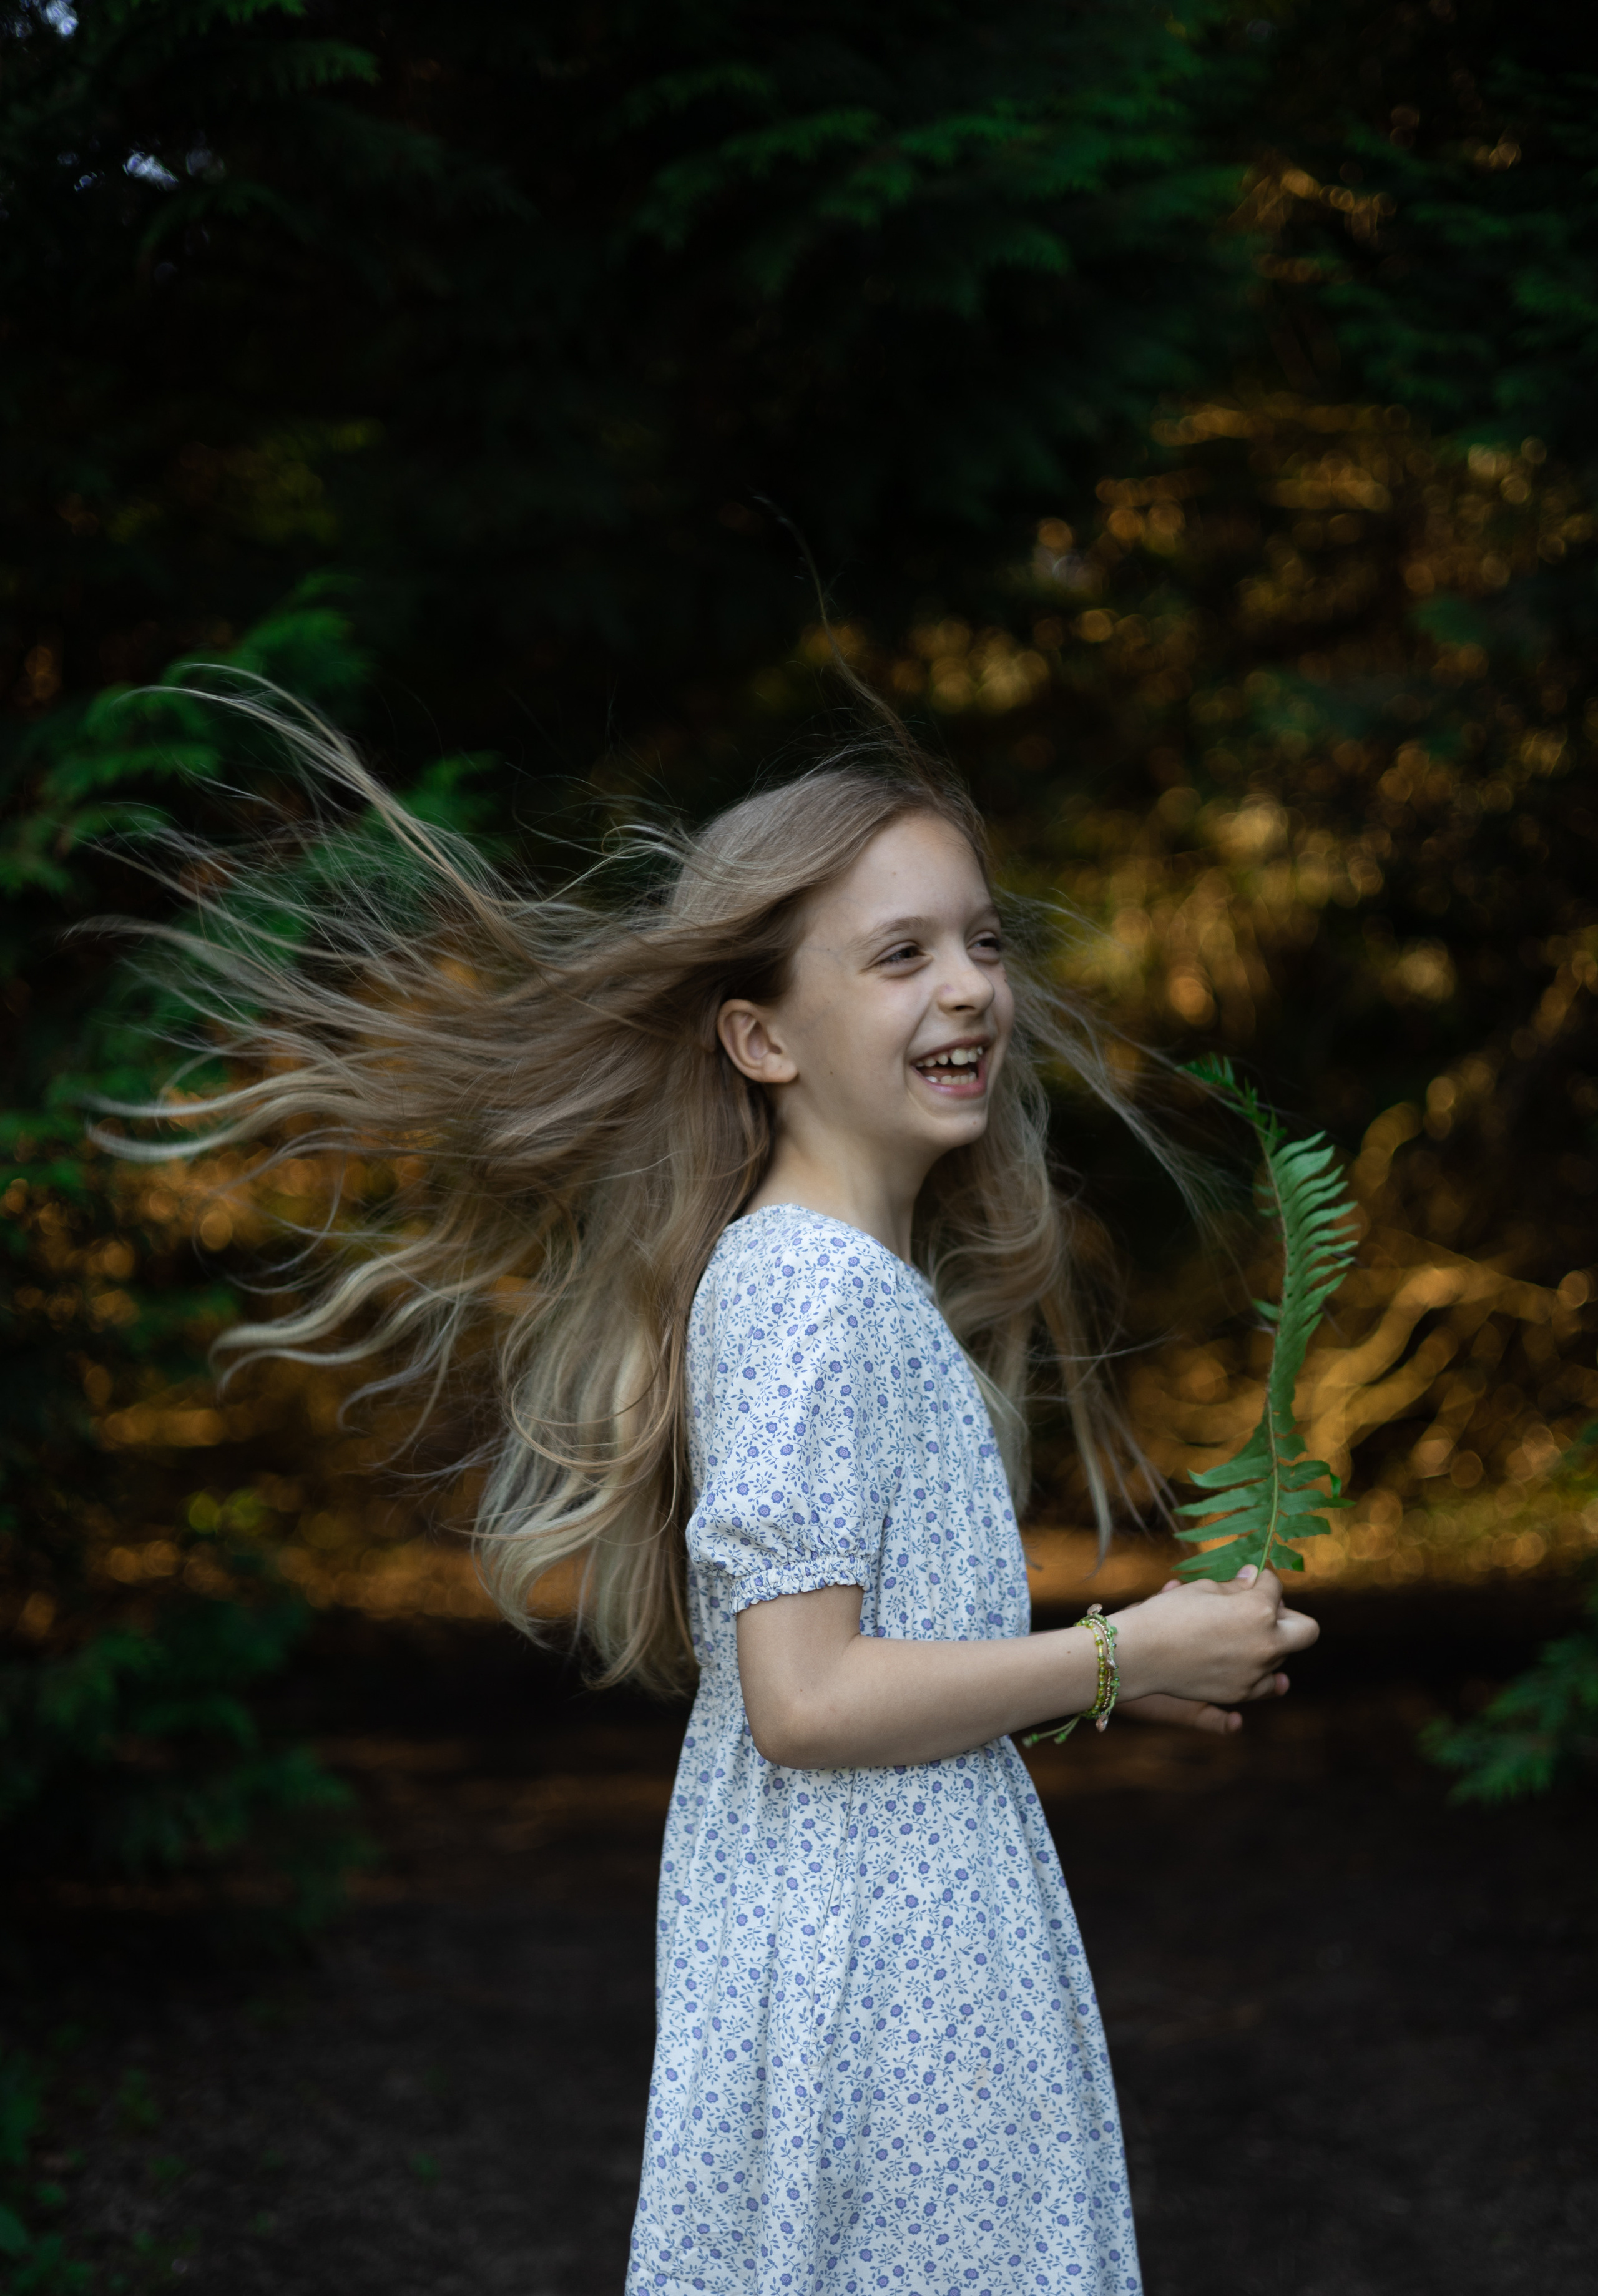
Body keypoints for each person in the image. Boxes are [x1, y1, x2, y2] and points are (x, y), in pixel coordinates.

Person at [110, 694, 1317, 2296]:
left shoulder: (841, 1283)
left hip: (897, 1943)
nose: (966, 983)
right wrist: (1117, 1656)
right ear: (760, 1037)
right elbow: (804, 1698)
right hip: (876, 1985)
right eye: (897, 957)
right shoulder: (813, 1294)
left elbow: (869, 1648)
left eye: (977, 942)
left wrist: (1100, 1677)